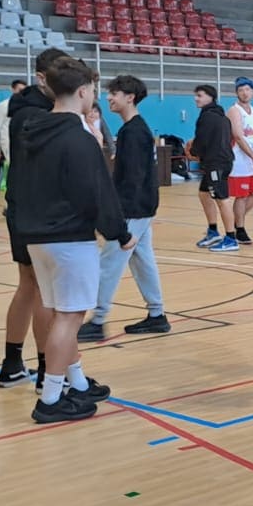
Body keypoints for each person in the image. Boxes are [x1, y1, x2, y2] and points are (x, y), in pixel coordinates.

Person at [14, 56, 130, 423]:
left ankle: (76, 382)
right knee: (69, 317)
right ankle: (51, 398)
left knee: (60, 312)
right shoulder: (78, 138)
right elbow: (96, 192)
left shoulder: (31, 131)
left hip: (37, 237)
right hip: (69, 238)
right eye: (93, 90)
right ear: (82, 92)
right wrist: (119, 232)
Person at [80, 74, 169, 339]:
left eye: (114, 93)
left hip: (133, 209)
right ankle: (157, 315)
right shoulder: (133, 129)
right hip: (141, 207)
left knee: (109, 263)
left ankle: (97, 320)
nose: (108, 97)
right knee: (143, 261)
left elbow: (133, 178)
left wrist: (117, 214)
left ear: (130, 97)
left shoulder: (134, 132)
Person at [0, 48, 65, 381]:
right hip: (34, 210)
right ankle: (45, 370)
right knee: (42, 290)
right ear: (41, 78)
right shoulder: (36, 115)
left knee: (27, 285)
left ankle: (12, 365)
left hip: (21, 205)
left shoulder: (23, 109)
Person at [190, 84, 238, 252]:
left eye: (200, 95)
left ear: (210, 97)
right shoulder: (221, 116)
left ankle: (231, 238)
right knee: (204, 193)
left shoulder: (207, 117)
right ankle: (213, 231)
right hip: (219, 161)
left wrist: (193, 152)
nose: (196, 98)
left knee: (222, 199)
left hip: (216, 163)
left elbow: (201, 140)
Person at [227, 77, 253, 245]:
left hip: (252, 160)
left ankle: (235, 221)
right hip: (239, 160)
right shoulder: (234, 111)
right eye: (241, 90)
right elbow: (238, 136)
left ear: (252, 91)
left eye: (247, 89)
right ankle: (240, 229)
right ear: (237, 93)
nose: (244, 92)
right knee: (241, 196)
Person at [0, 79, 23, 186]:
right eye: (20, 89)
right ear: (12, 89)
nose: (21, 92)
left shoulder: (25, 106)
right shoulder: (2, 106)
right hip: (7, 142)